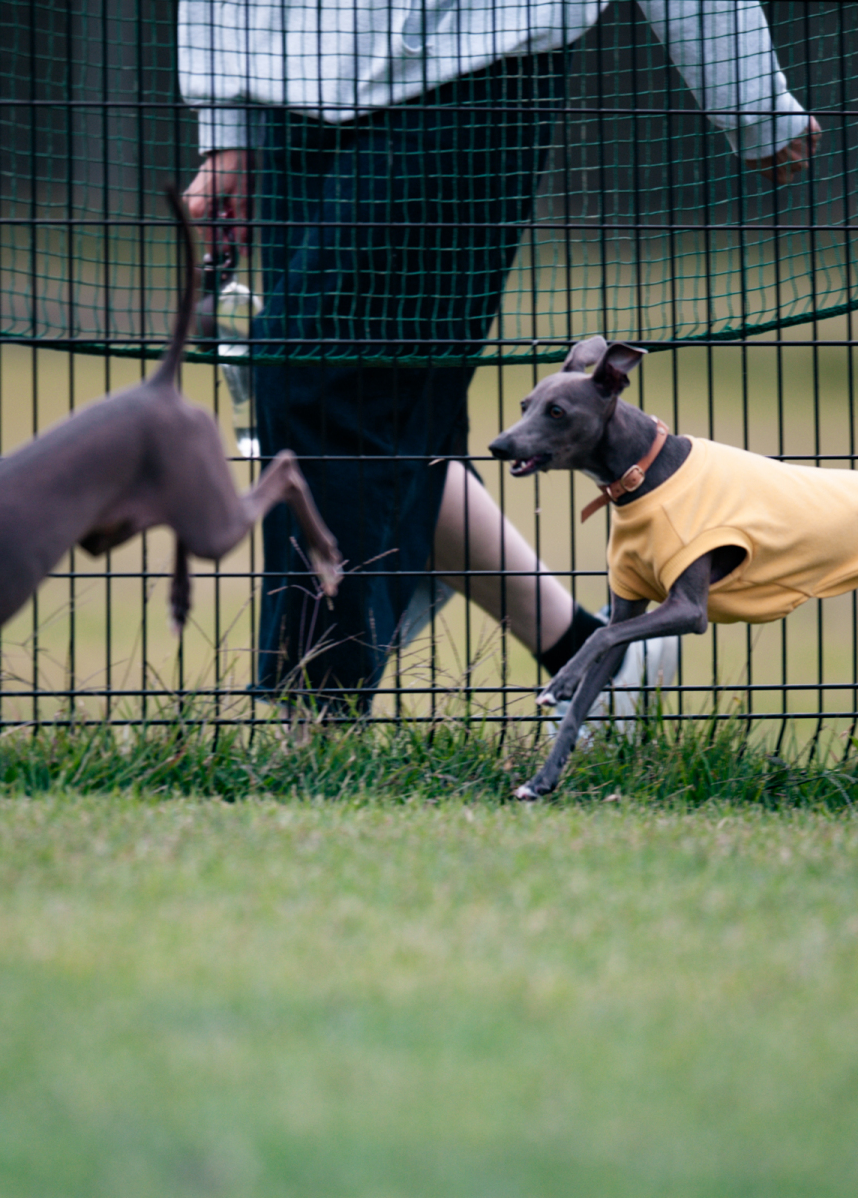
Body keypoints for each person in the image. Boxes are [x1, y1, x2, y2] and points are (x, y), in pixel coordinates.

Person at [180, 0, 821, 712]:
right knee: (376, 412)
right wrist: (226, 128)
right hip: (288, 81)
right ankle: (596, 658)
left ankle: (316, 720)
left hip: (473, 67)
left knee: (315, 384)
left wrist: (751, 103)